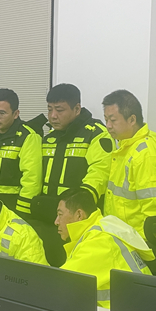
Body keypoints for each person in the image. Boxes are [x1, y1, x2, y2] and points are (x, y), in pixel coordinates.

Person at [36, 83, 114, 266]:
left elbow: (99, 173)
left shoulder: (96, 134)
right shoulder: (49, 138)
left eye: (59, 110)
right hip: (48, 215)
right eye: (49, 109)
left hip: (77, 220)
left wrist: (78, 207)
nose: (53, 116)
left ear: (77, 109)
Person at [102, 89, 156, 239]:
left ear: (132, 120)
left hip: (138, 244)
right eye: (106, 120)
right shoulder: (126, 146)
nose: (108, 126)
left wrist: (142, 246)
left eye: (113, 120)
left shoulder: (147, 154)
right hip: (122, 239)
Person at [55, 188, 153, 308]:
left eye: (60, 215)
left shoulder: (99, 242)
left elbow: (59, 284)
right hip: (130, 310)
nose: (56, 221)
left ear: (79, 215)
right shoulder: (101, 227)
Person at [0, 89, 42, 217]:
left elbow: (32, 179)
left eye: (2, 113)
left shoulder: (28, 137)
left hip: (12, 206)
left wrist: (22, 211)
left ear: (16, 114)